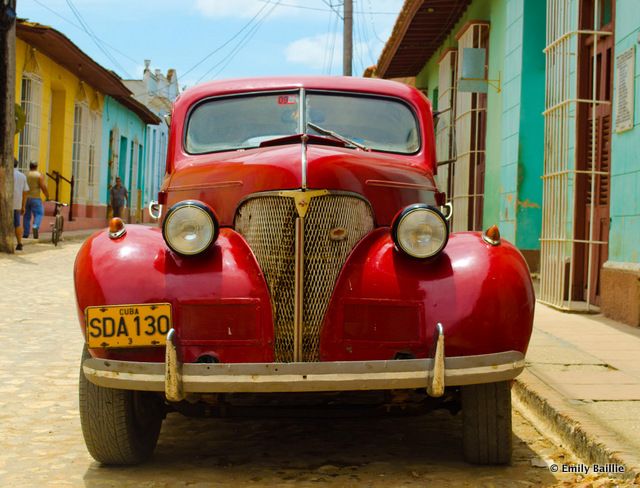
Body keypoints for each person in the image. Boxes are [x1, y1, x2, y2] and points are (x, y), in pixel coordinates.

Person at [23, 161, 49, 240]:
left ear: (29, 166)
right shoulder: (39, 176)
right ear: (36, 166)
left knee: (26, 216)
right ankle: (35, 226)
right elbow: (43, 186)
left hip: (26, 198)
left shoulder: (25, 174)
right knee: (39, 213)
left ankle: (26, 233)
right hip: (35, 198)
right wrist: (47, 195)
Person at [13, 159, 29, 251]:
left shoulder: (3, 172)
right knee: (17, 223)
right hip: (17, 204)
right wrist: (23, 205)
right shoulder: (22, 176)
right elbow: (25, 191)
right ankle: (19, 243)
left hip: (4, 204)